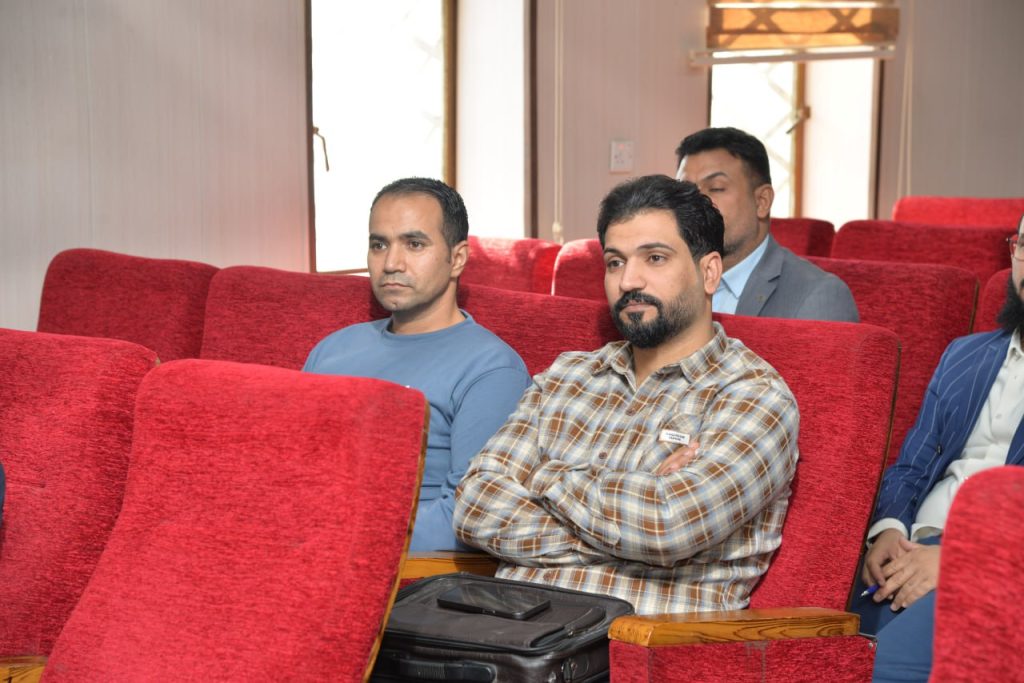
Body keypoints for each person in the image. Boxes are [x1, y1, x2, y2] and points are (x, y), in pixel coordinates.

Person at [454, 175, 799, 614]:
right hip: (507, 631)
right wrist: (628, 535)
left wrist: (542, 475)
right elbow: (474, 505)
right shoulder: (569, 374)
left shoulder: (753, 395)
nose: (629, 280)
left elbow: (666, 527)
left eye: (655, 258)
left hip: (640, 642)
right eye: (615, 262)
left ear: (709, 271)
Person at [303, 177, 531, 552]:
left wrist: (333, 539)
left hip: (399, 563)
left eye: (414, 244)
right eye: (379, 245)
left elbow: (466, 515)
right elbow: (290, 466)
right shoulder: (332, 349)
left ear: (457, 258)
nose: (391, 263)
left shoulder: (491, 369)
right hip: (302, 541)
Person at [856, 215, 1024, 682]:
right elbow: (912, 465)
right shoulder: (964, 353)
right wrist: (888, 531)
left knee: (881, 671)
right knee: (816, 650)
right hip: (912, 546)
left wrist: (960, 557)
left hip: (997, 562)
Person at [675, 127, 858, 322]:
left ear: (762, 201)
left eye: (716, 188)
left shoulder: (817, 297)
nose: (696, 202)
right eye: (686, 191)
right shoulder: (666, 280)